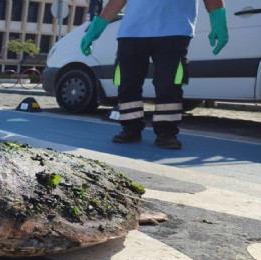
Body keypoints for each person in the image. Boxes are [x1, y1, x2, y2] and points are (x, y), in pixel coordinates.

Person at [81, 0, 229, 149]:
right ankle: (130, 128)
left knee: (169, 85)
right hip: (132, 32)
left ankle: (167, 133)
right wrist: (96, 29)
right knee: (127, 83)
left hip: (174, 31)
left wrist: (218, 22)